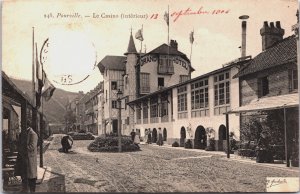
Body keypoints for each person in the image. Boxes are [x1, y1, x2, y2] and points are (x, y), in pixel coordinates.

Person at [15, 120, 38, 192]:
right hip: (22, 158)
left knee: (31, 176)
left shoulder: (32, 134)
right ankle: (24, 190)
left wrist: (22, 148)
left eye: (22, 124)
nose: (21, 126)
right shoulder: (22, 133)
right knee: (23, 175)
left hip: (29, 158)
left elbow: (32, 146)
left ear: (27, 125)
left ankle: (32, 191)